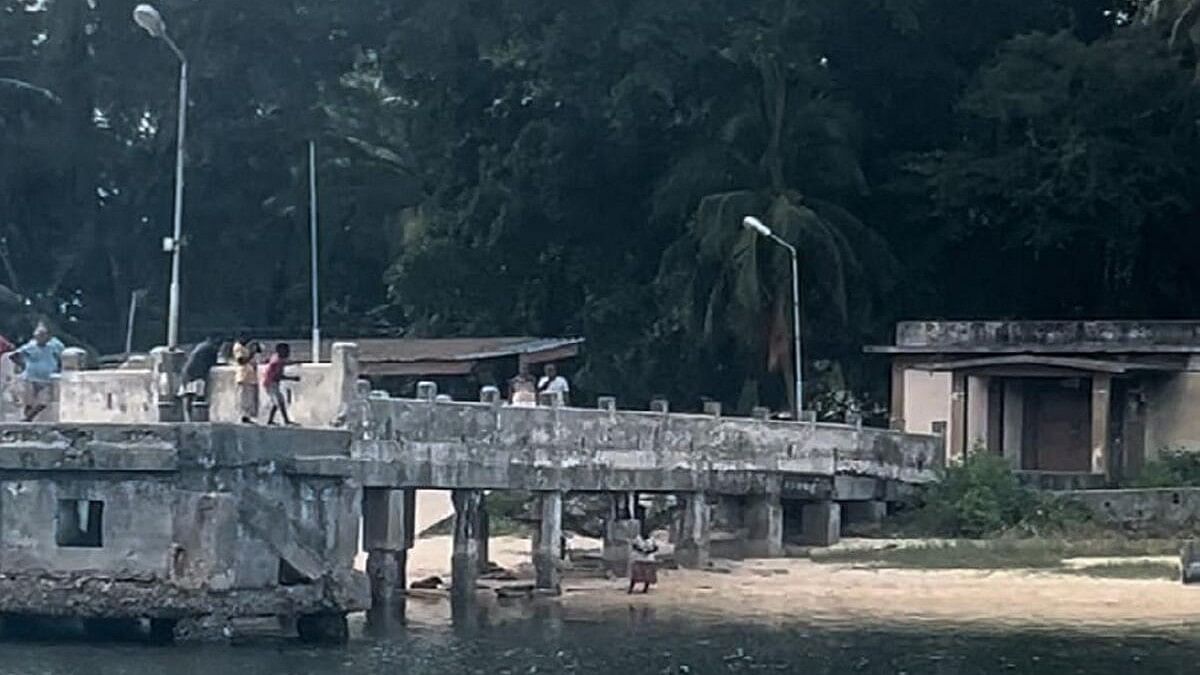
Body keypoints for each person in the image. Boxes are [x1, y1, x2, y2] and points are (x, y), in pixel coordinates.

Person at [8, 323, 64, 422]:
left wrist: (59, 367)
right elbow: (13, 355)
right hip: (31, 378)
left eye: (44, 335)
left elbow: (62, 356)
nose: (42, 338)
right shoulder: (30, 346)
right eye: (40, 335)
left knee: (43, 402)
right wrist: (22, 364)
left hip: (47, 378)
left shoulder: (53, 346)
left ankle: (28, 418)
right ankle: (27, 421)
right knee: (28, 402)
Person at [178, 336, 222, 422]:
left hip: (188, 372)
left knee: (188, 396)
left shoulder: (201, 346)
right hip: (196, 374)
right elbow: (213, 362)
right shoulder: (211, 348)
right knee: (198, 397)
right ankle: (196, 418)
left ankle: (188, 418)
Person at [262, 342, 300, 426]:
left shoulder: (278, 358)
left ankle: (270, 420)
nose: (288, 353)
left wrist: (294, 363)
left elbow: (285, 363)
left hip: (272, 383)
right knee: (280, 402)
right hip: (270, 383)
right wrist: (292, 378)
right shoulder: (277, 362)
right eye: (286, 351)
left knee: (276, 402)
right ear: (280, 351)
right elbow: (277, 376)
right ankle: (286, 421)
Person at [232, 337, 261, 424]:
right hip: (243, 376)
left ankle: (247, 417)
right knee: (244, 398)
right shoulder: (238, 347)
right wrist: (252, 353)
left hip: (250, 376)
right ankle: (244, 416)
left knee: (249, 398)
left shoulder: (245, 347)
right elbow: (241, 361)